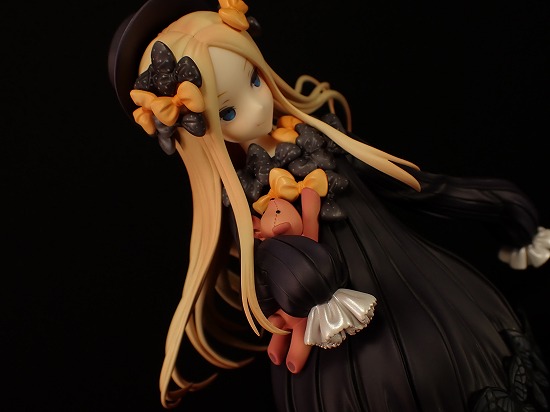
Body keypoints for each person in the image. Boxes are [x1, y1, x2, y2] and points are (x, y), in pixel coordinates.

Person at [108, 0, 550, 410]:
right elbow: (264, 287)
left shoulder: (324, 143)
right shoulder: (240, 202)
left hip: (426, 304)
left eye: (255, 79)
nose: (258, 107)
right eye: (227, 113)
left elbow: (414, 187)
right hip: (336, 364)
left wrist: (501, 205)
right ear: (194, 128)